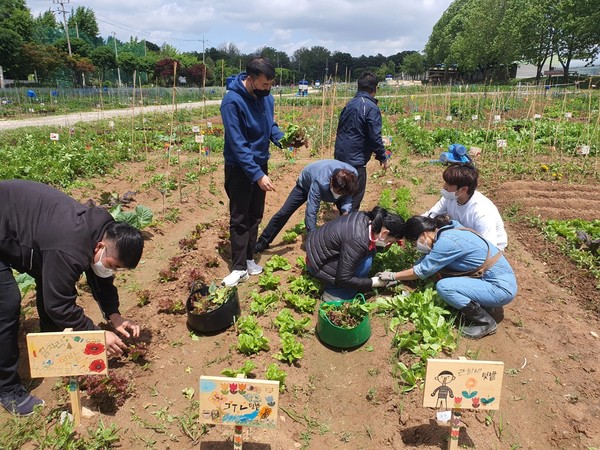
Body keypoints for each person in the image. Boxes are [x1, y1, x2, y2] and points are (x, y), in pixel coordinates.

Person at [0, 179, 144, 416]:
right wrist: (96, 335)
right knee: (6, 302)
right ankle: (8, 389)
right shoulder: (70, 248)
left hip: (18, 223)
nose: (113, 271)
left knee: (49, 281)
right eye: (113, 265)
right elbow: (59, 304)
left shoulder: (102, 231)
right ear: (100, 246)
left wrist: (114, 317)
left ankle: (49, 346)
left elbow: (101, 279)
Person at [377, 215, 517, 339]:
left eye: (415, 243)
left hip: (501, 289)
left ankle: (485, 322)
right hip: (496, 279)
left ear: (424, 235)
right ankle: (486, 304)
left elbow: (422, 270)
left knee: (444, 287)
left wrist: (393, 276)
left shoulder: (447, 242)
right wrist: (401, 275)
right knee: (439, 272)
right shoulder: (449, 232)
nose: (416, 247)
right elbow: (424, 261)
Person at [221, 56, 292, 287]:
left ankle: (249, 258)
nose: (268, 89)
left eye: (270, 85)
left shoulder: (266, 98)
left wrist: (285, 140)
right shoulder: (232, 102)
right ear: (250, 79)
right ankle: (239, 267)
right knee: (240, 216)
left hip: (259, 163)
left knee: (256, 214)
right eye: (264, 85)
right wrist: (257, 174)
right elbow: (237, 144)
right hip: (240, 167)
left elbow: (270, 125)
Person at [255, 160, 359, 253]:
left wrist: (345, 212)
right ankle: (262, 242)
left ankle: (344, 243)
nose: (338, 195)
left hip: (335, 185)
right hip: (305, 185)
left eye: (341, 194)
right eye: (337, 192)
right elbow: (311, 210)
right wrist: (312, 239)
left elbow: (348, 196)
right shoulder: (321, 181)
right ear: (331, 182)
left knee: (347, 216)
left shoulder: (352, 177)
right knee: (284, 212)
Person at [305, 206, 405, 301]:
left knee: (370, 252)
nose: (389, 243)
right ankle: (334, 294)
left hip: (316, 253)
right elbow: (343, 278)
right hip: (317, 264)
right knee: (366, 262)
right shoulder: (358, 240)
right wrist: (373, 282)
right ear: (385, 233)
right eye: (390, 241)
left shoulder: (367, 219)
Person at [334, 71, 389, 211]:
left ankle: (341, 222)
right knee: (354, 197)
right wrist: (383, 156)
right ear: (375, 88)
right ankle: (347, 228)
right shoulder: (371, 107)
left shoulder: (350, 104)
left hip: (341, 156)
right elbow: (374, 136)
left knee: (342, 192)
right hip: (356, 160)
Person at [424, 163, 507, 250]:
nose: (444, 187)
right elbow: (430, 215)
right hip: (464, 238)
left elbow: (489, 248)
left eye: (448, 184)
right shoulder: (451, 198)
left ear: (463, 189)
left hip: (488, 249)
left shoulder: (481, 212)